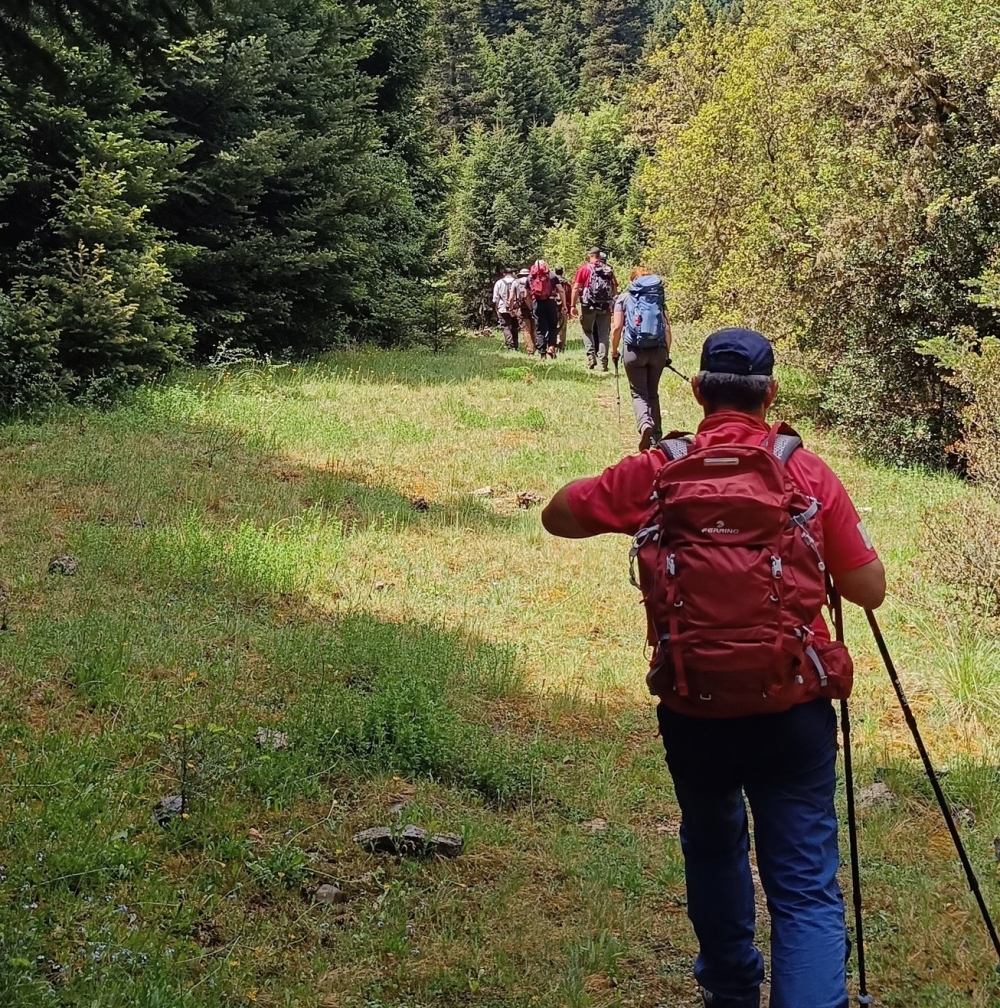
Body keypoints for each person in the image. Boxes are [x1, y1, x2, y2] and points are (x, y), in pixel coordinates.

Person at [541, 328, 886, 1008]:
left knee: (712, 844)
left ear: (697, 392)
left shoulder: (660, 469)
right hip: (793, 707)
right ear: (771, 395)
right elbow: (868, 588)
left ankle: (729, 991)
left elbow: (558, 515)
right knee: (805, 884)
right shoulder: (806, 473)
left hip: (693, 705)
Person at [611, 266, 672, 451]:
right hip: (658, 350)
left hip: (633, 351)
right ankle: (657, 436)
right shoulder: (658, 298)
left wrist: (614, 352)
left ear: (632, 282)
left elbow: (617, 328)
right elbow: (667, 328)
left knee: (639, 393)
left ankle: (645, 424)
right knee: (653, 393)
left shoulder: (623, 298)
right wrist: (666, 354)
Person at [572, 247, 618, 371]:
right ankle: (603, 363)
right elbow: (614, 289)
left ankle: (591, 357)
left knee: (587, 330)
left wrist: (572, 306)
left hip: (589, 305)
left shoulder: (584, 268)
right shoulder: (608, 269)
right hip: (605, 306)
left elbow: (576, 288)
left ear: (590, 255)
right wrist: (613, 305)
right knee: (604, 334)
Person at [526, 258, 563, 359]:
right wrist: (564, 305)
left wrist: (531, 306)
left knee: (540, 329)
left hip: (537, 304)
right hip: (550, 302)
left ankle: (542, 354)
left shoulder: (530, 277)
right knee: (552, 326)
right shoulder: (552, 275)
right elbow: (561, 290)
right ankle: (551, 347)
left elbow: (526, 295)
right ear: (545, 266)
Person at [492, 266, 519, 350]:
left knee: (506, 326)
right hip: (515, 308)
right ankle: (515, 344)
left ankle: (510, 346)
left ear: (504, 274)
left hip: (503, 308)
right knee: (515, 327)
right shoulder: (516, 282)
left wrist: (496, 309)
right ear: (512, 273)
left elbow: (495, 298)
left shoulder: (499, 283)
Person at [512, 267, 536, 355]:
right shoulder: (533, 281)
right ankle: (536, 347)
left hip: (522, 308)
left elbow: (511, 297)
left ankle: (530, 350)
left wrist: (511, 308)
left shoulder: (516, 282)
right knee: (534, 329)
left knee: (526, 330)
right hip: (533, 307)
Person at [553, 266, 572, 354]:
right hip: (564, 308)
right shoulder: (566, 283)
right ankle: (562, 346)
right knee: (563, 327)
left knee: (553, 326)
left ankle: (554, 344)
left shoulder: (552, 282)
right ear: (562, 272)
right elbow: (569, 297)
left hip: (553, 308)